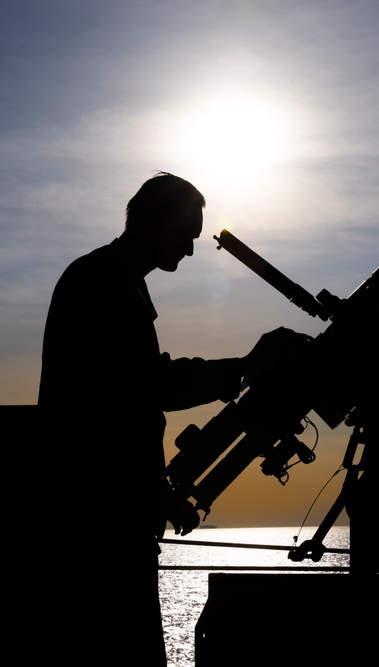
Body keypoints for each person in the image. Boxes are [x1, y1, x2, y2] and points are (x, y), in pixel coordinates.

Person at [38, 172, 293, 665]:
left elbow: (135, 395)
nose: (192, 252)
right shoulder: (102, 284)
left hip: (108, 513)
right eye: (185, 236)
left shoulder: (116, 282)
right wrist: (242, 368)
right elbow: (146, 389)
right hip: (98, 524)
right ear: (154, 222)